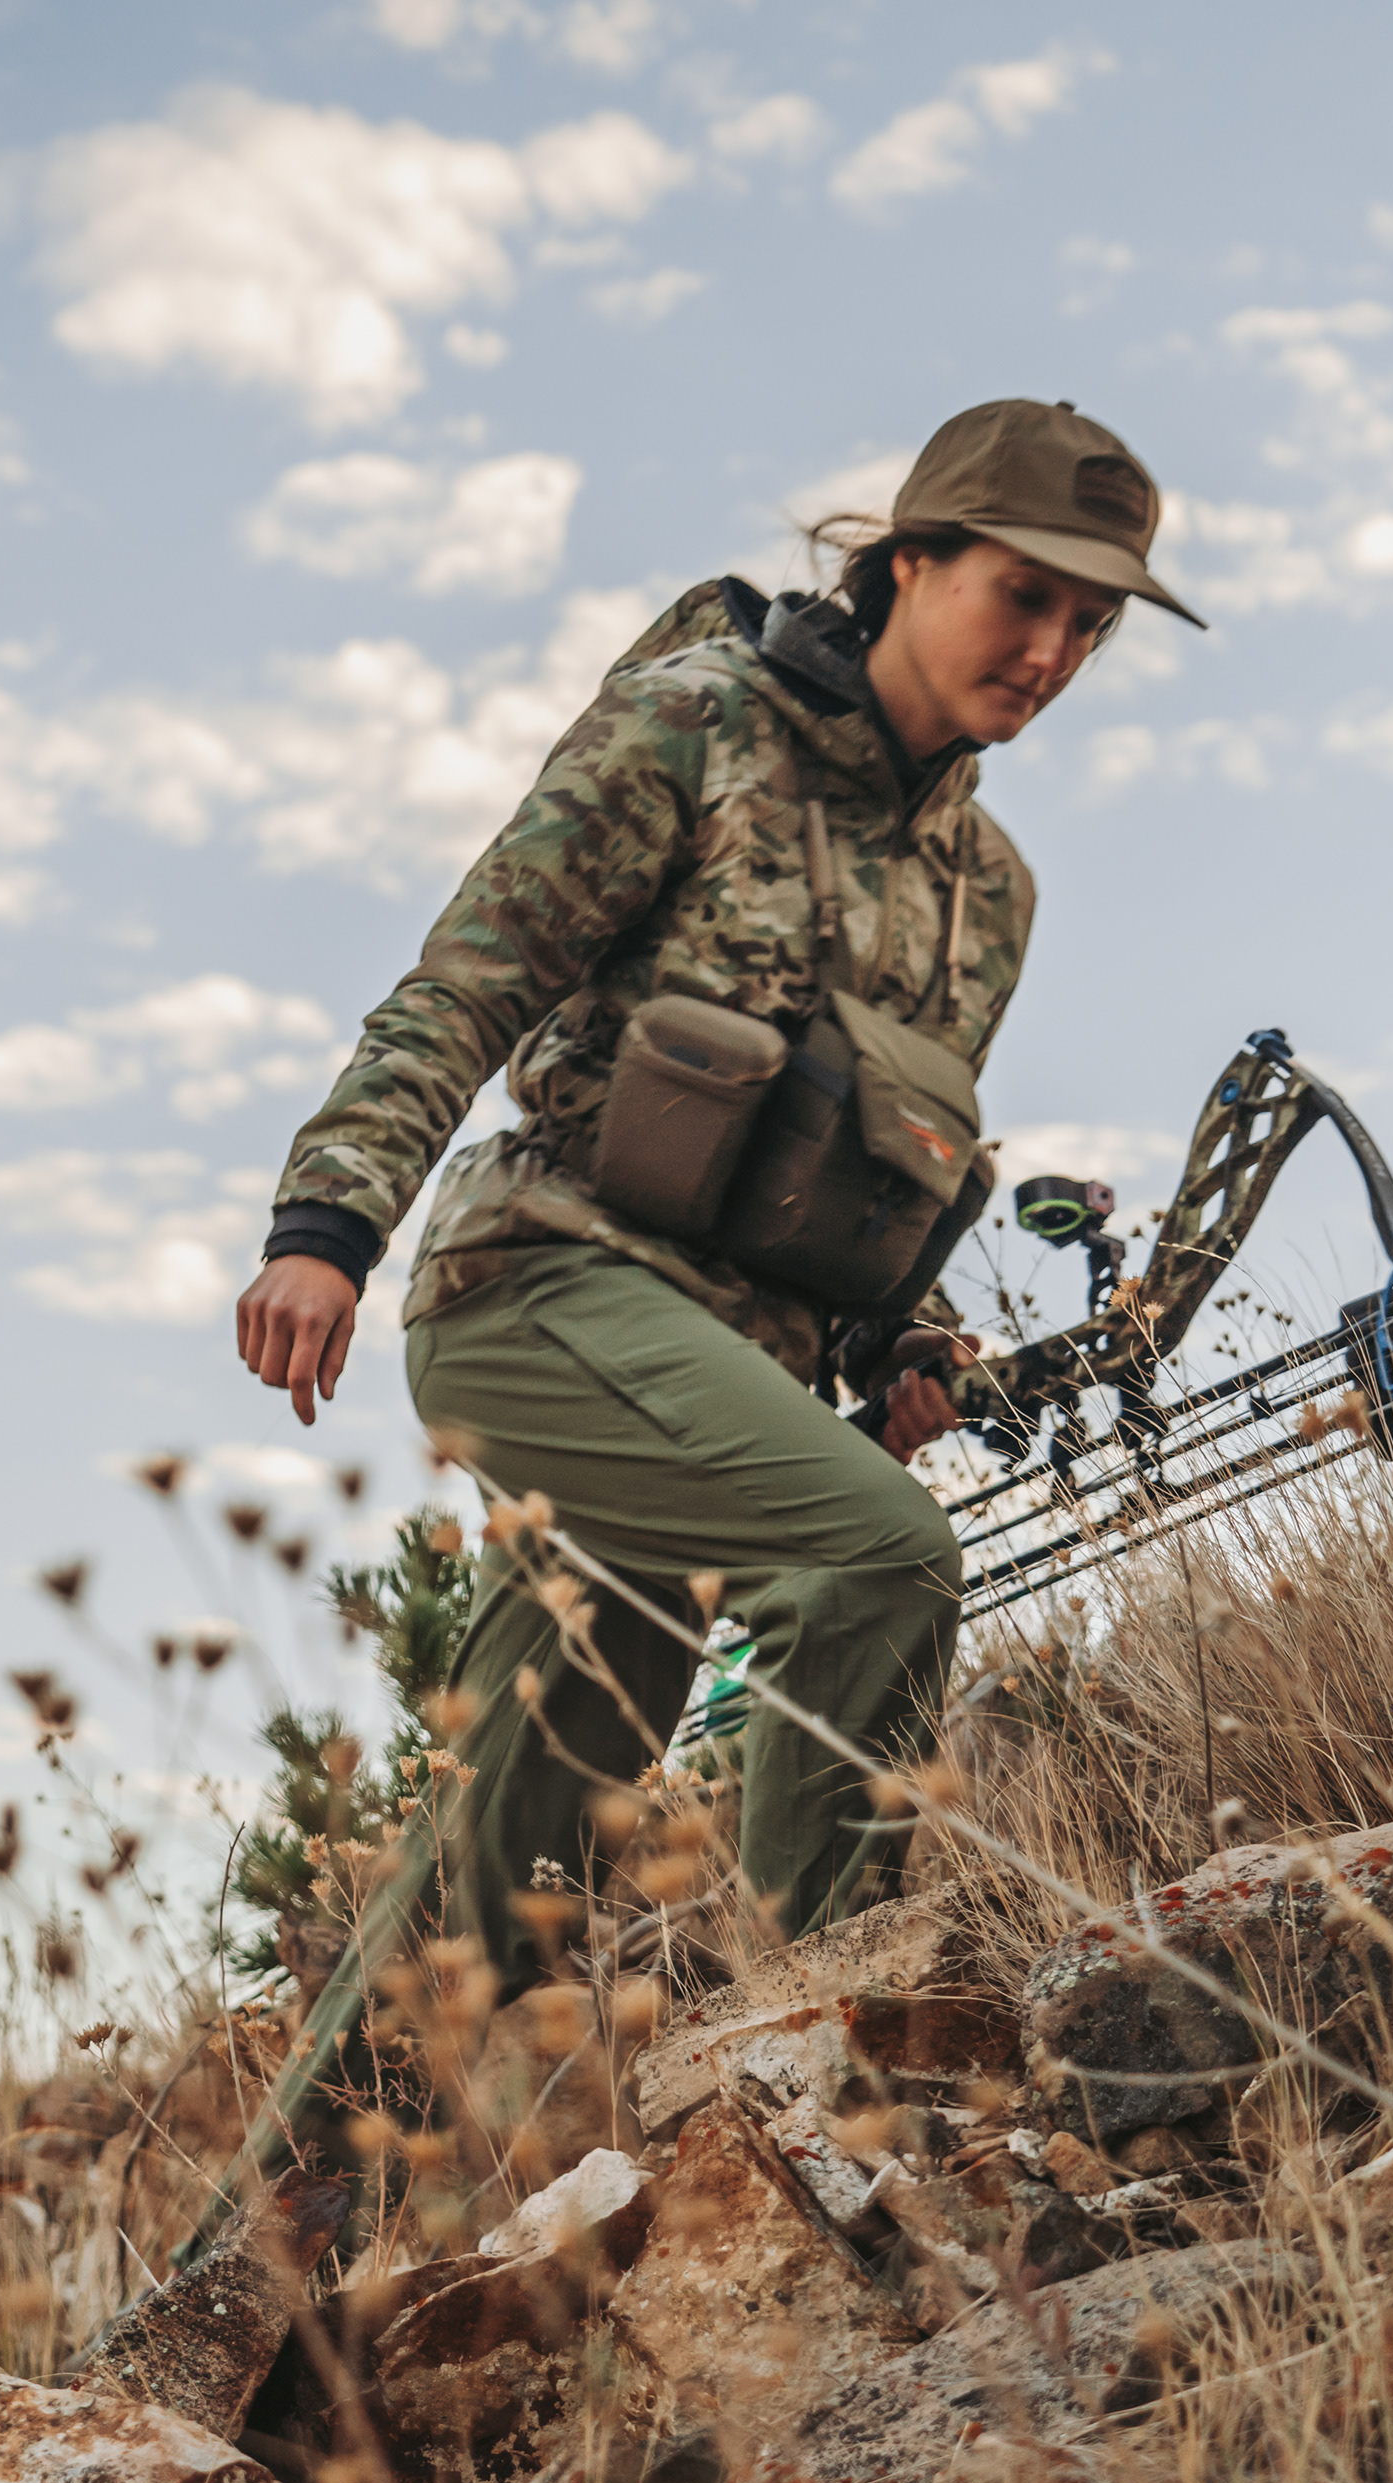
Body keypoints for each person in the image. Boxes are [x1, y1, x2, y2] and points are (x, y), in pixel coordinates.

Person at [235, 399, 1202, 1981]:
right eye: (1024, 594)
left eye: (1091, 624)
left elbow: (880, 1173)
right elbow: (465, 986)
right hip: (538, 1291)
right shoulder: (694, 726)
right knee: (878, 1558)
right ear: (909, 560)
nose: (1052, 650)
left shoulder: (991, 897)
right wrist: (327, 1227)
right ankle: (844, 2038)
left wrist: (895, 1339)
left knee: (508, 1879)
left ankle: (365, 2125)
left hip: (718, 1379)